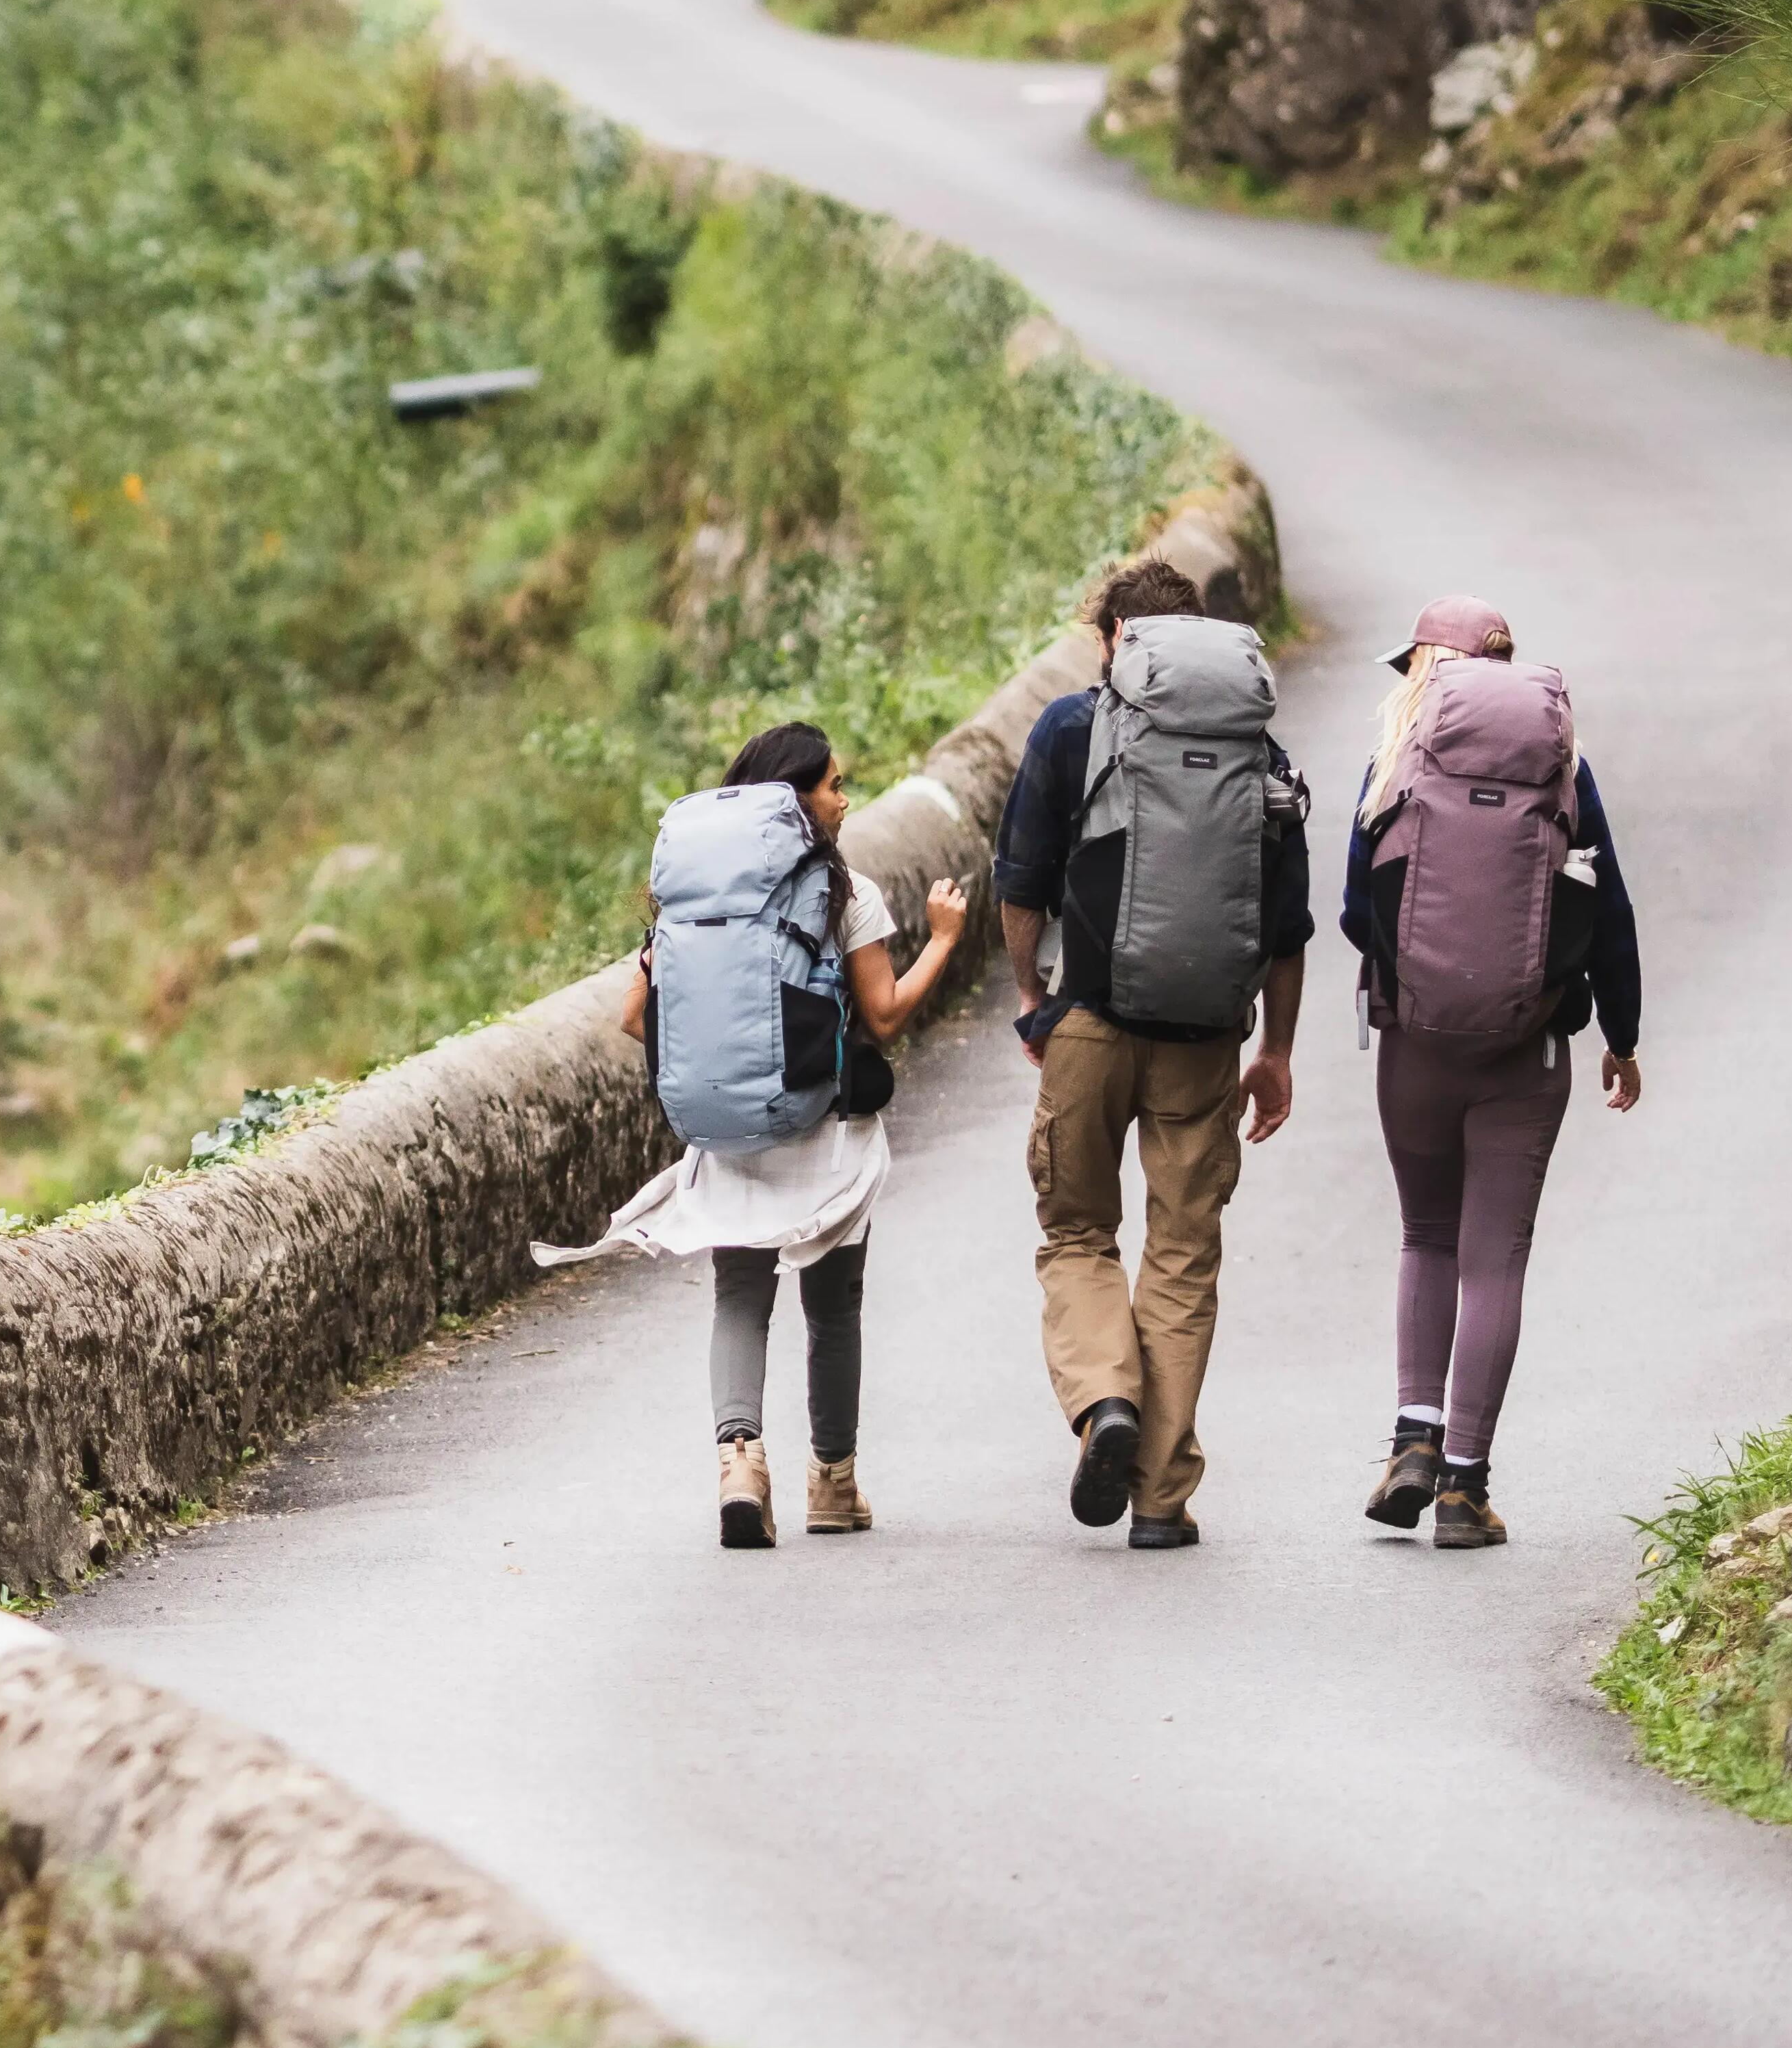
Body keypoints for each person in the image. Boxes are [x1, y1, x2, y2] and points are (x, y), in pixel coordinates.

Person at [541, 721, 972, 1548]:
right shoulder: (846, 893)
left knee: (741, 1298)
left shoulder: (697, 903)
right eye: (832, 785)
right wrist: (945, 939)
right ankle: (833, 1484)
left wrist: (731, 1057)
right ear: (793, 796)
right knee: (831, 1307)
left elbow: (635, 1017)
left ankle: (740, 1465)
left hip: (729, 1131)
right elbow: (882, 1014)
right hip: (826, 1133)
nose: (844, 800)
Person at [989, 556, 1312, 1550]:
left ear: (1112, 640)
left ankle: (1105, 1405)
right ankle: (1162, 1498)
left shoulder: (1070, 726)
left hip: (1089, 1020)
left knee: (1079, 1231)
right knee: (1182, 1254)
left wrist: (1033, 993)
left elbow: (1020, 881)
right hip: (1207, 1036)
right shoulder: (1259, 745)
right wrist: (1279, 1052)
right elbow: (1286, 926)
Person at [1342, 595, 1644, 1549]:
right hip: (1529, 1051)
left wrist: (1418, 976)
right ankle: (1465, 1490)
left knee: (1425, 1237)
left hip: (1415, 1045)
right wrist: (1622, 1036)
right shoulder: (1564, 769)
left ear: (1442, 666)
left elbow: (1357, 908)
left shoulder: (1394, 764)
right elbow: (1612, 911)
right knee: (1493, 1262)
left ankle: (1411, 1441)